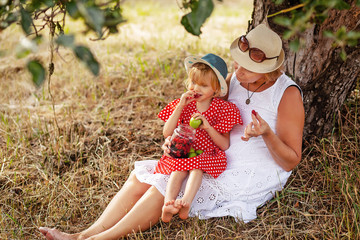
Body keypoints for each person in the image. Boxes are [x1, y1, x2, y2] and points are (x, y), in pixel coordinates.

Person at [39, 24, 304, 240]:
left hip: (251, 171)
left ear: (268, 69)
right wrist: (180, 140)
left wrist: (267, 133)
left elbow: (291, 160)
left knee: (162, 186)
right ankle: (82, 235)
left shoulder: (287, 94)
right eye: (237, 63)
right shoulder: (236, 78)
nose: (238, 70)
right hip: (213, 152)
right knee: (142, 176)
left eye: (247, 67)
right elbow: (209, 110)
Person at [156, 54, 242, 222]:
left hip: (206, 154)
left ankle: (186, 202)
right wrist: (181, 106)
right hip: (185, 150)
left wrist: (208, 127)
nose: (196, 88)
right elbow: (167, 132)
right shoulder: (183, 104)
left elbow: (224, 145)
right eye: (193, 82)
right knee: (178, 169)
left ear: (216, 90)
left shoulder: (222, 109)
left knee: (196, 167)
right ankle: (168, 204)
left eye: (203, 85)